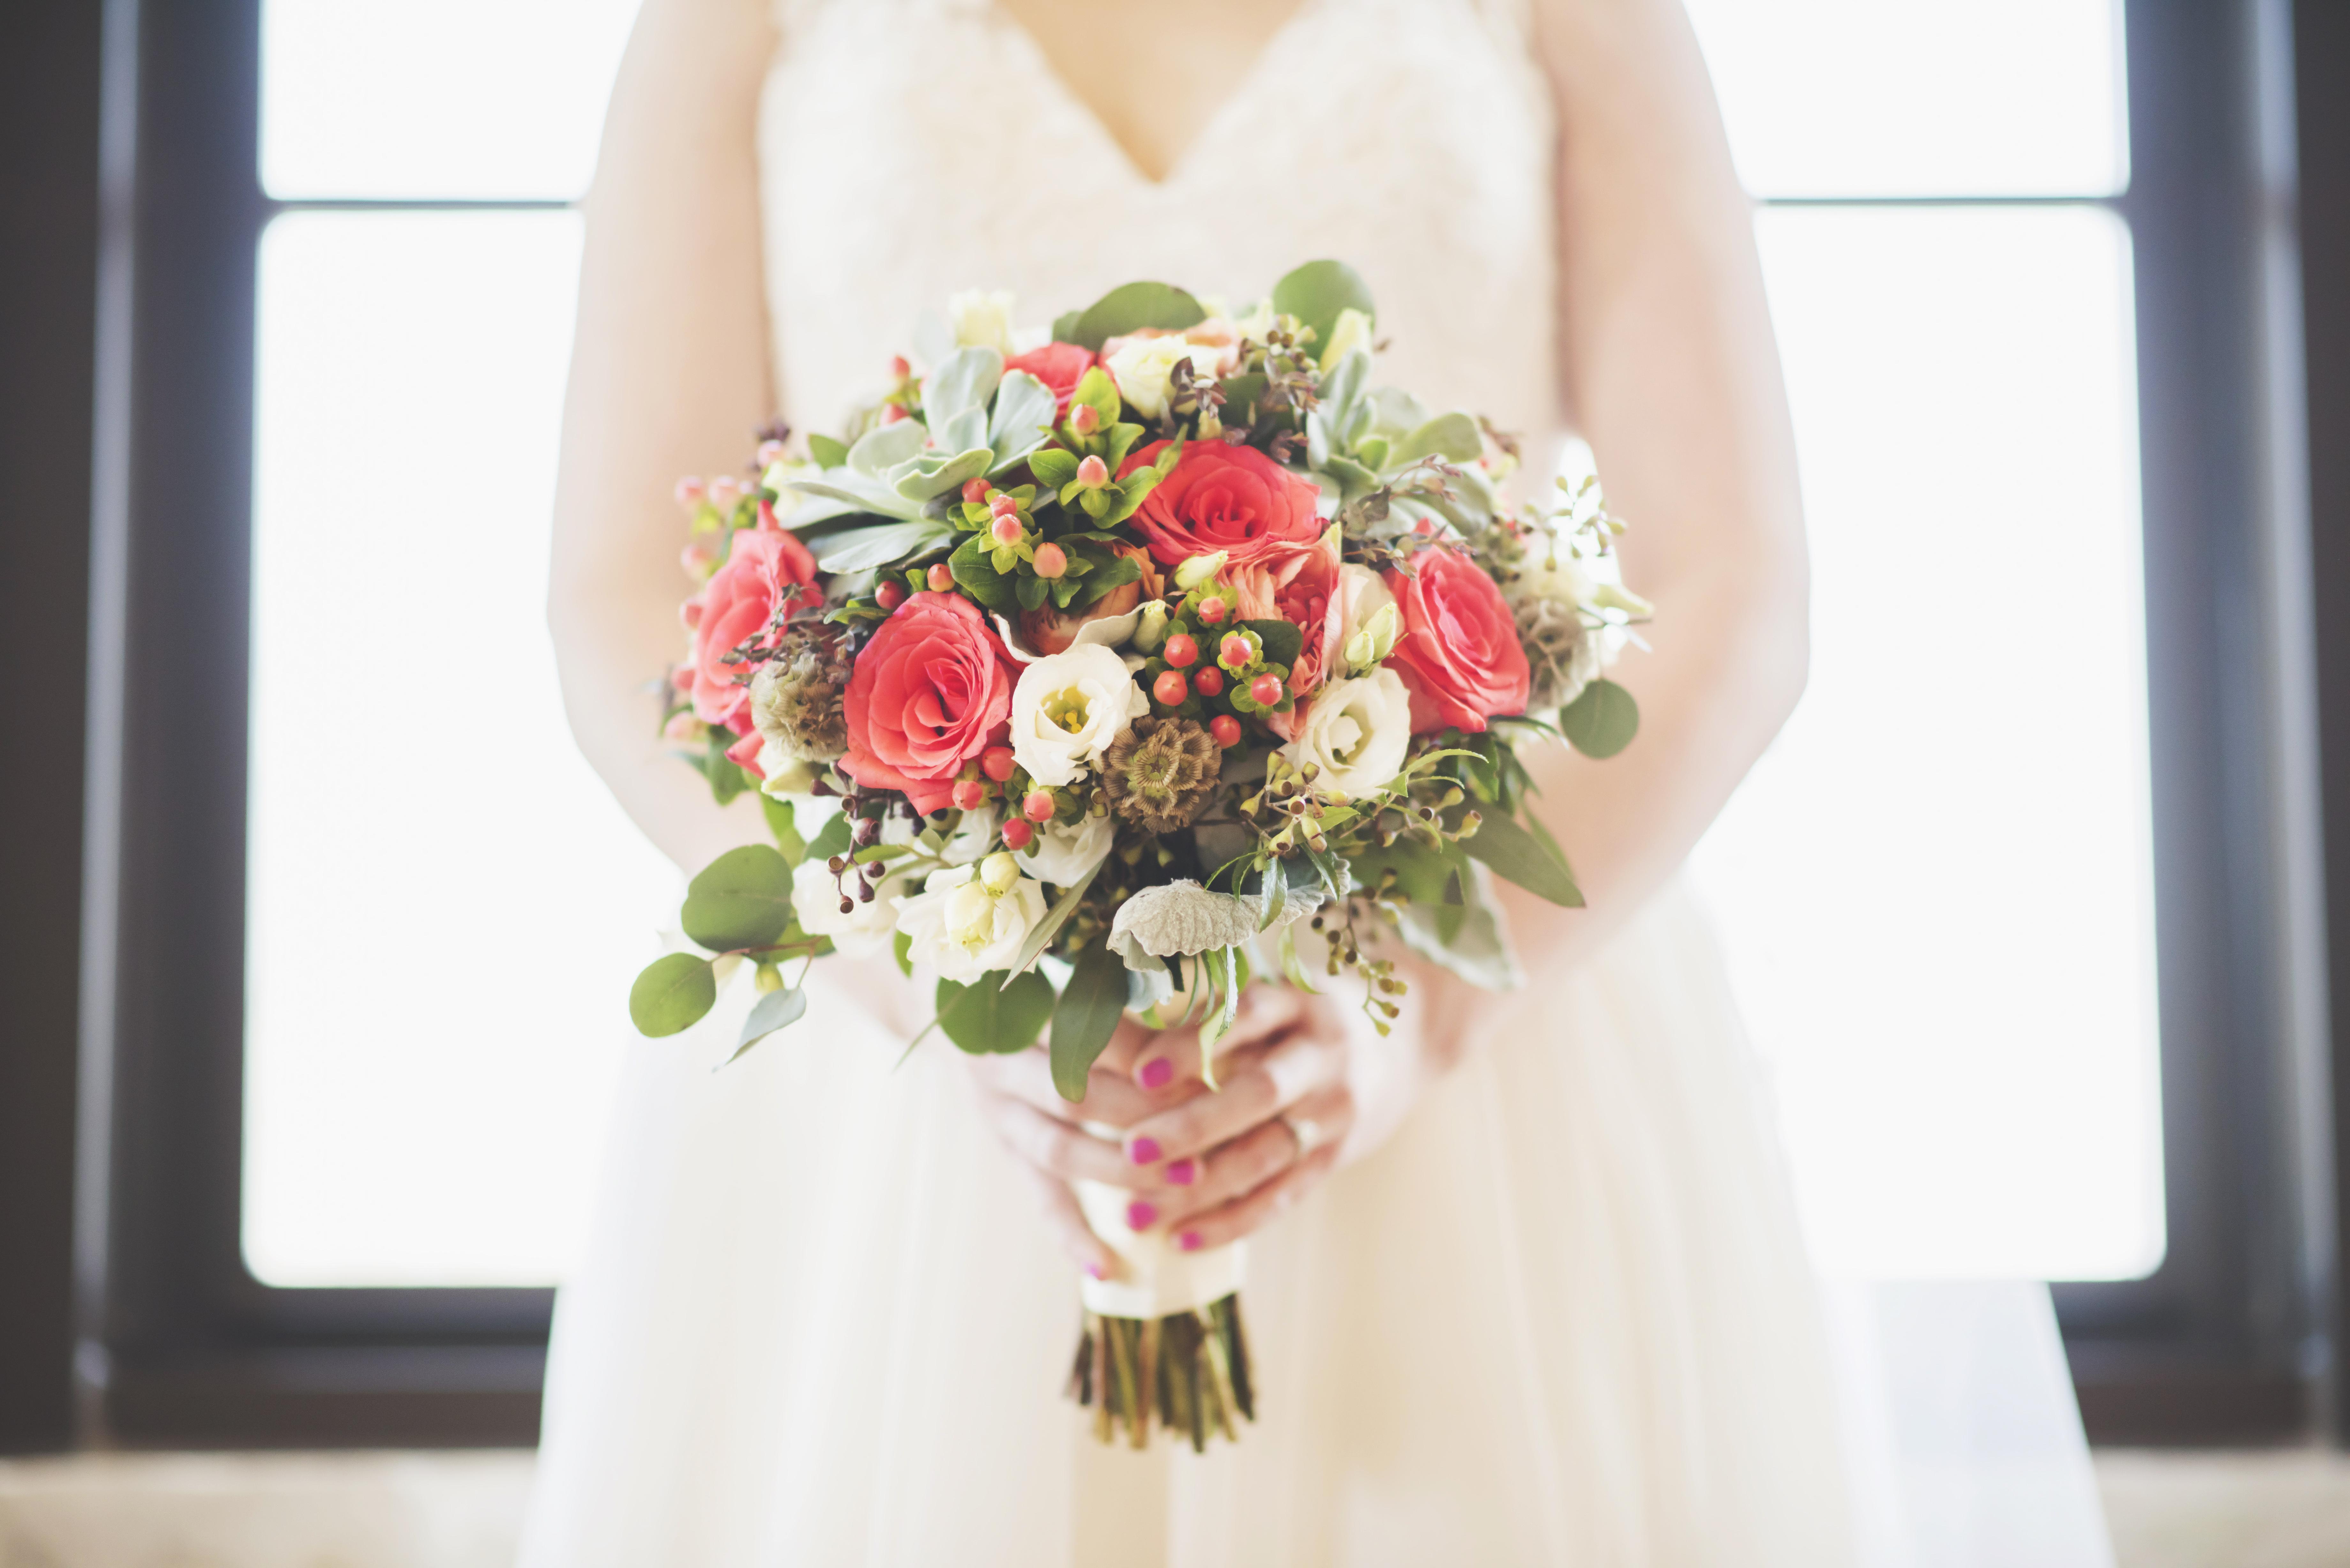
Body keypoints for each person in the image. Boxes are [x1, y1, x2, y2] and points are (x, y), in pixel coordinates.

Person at [525, 1, 2111, 1563]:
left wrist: (1427, 1003)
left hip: (1484, 1038)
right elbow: (624, 601)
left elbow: (1730, 584)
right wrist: (923, 970)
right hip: (907, 1075)